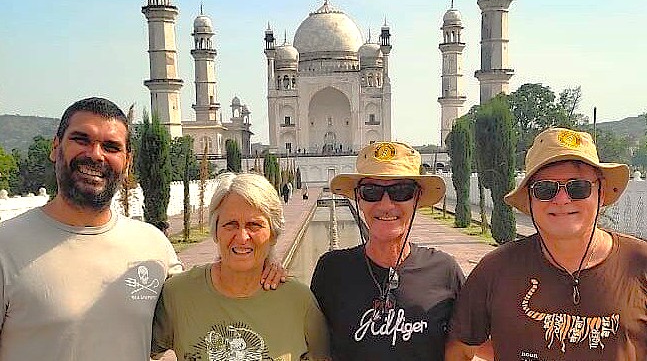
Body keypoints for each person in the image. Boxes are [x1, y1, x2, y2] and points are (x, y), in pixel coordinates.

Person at [0, 97, 183, 361]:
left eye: (110, 146)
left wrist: (264, 261)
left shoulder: (152, 245)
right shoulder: (7, 246)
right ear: (55, 147)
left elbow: (203, 301)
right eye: (81, 139)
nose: (96, 154)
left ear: (127, 160)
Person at [446, 127, 647, 360]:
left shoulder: (639, 263)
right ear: (530, 198)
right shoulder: (496, 269)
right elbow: (460, 348)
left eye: (578, 187)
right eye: (545, 189)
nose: (562, 200)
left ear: (600, 193)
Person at [311, 141, 465, 360]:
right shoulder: (333, 270)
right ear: (358, 199)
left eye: (401, 192)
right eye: (371, 192)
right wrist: (266, 268)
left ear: (417, 198)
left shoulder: (443, 270)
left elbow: (476, 340)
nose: (385, 205)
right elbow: (301, 335)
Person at [152, 172, 330, 360]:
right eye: (231, 224)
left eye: (254, 225)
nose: (242, 237)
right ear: (215, 231)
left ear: (273, 234)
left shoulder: (298, 301)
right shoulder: (178, 295)